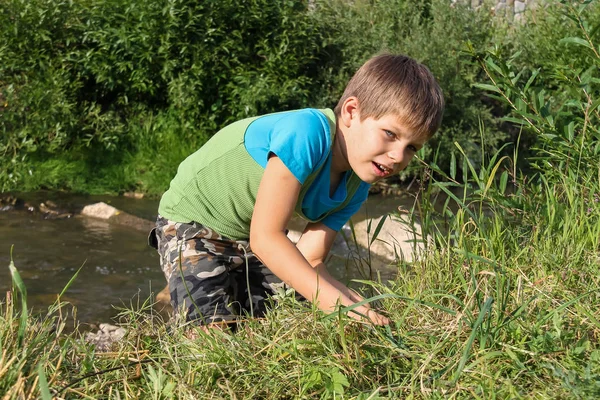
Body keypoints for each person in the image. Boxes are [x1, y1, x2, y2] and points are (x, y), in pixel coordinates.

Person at [149, 53, 444, 329]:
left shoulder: (357, 184)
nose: (398, 156)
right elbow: (266, 238)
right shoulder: (307, 133)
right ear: (352, 112)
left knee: (297, 306)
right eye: (390, 134)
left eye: (411, 148)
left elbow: (311, 259)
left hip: (243, 238)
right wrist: (333, 302)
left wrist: (357, 305)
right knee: (211, 332)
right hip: (192, 223)